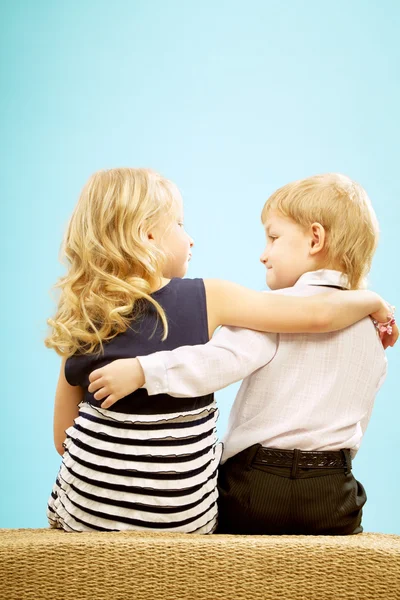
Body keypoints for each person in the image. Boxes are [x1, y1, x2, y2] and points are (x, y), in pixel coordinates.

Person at [88, 173, 397, 535]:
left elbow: (214, 364)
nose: (263, 254)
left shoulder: (268, 311)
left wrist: (144, 370)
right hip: (333, 491)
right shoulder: (374, 333)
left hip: (256, 486)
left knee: (208, 516)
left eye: (273, 237)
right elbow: (358, 421)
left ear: (315, 239)